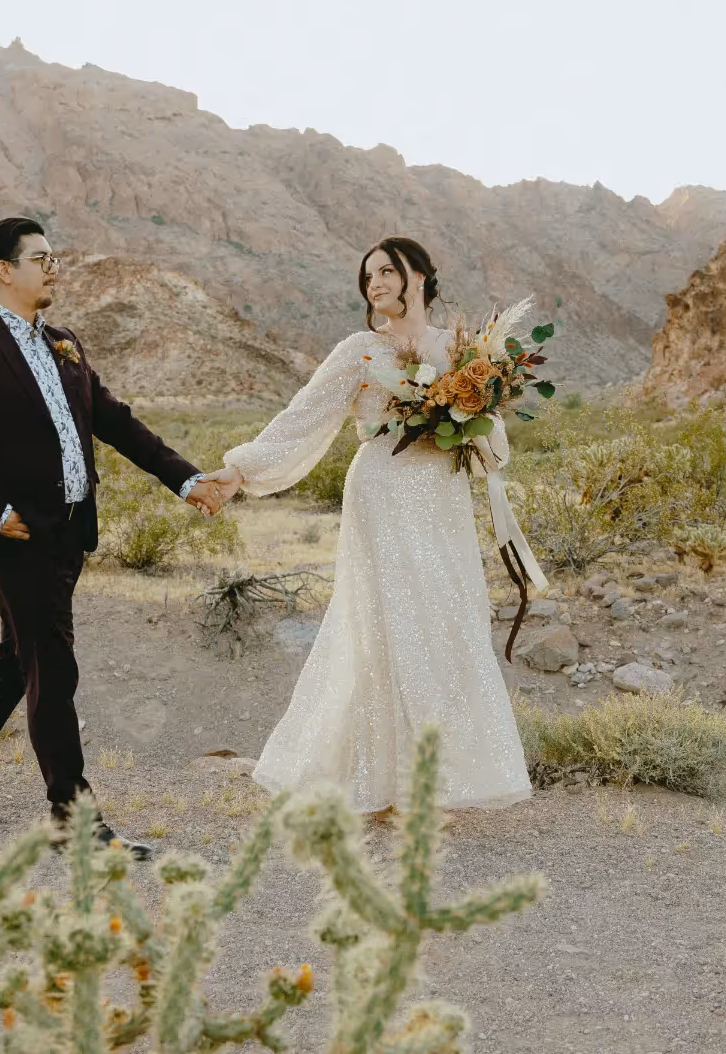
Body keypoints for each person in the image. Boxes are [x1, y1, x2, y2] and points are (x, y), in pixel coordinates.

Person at [0, 216, 231, 856]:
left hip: (68, 530)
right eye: (41, 257)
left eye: (54, 257)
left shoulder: (64, 343)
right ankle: (72, 817)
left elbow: (114, 421)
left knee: (18, 660)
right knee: (52, 667)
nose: (54, 267)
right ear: (5, 268)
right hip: (17, 536)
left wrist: (185, 479)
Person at [204, 237, 532, 814]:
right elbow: (302, 417)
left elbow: (494, 450)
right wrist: (240, 470)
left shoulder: (467, 353)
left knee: (447, 618)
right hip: (382, 490)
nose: (375, 283)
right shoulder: (360, 349)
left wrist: (473, 411)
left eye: (387, 271)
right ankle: (383, 786)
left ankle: (439, 780)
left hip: (443, 497)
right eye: (368, 276)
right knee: (387, 624)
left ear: (422, 276)